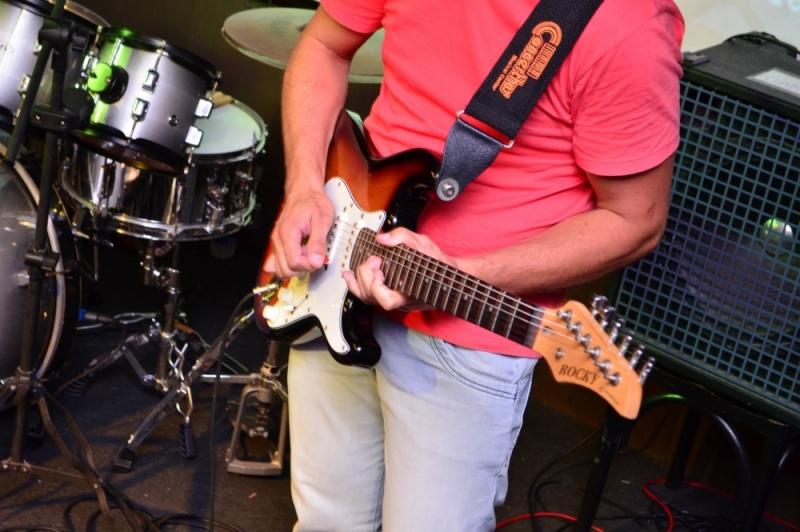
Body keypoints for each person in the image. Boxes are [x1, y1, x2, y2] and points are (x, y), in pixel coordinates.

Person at [263, 0, 684, 530]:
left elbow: (635, 220)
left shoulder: (627, 22)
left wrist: (466, 271)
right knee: (324, 522)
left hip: (469, 331)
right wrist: (303, 187)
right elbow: (323, 45)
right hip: (334, 268)